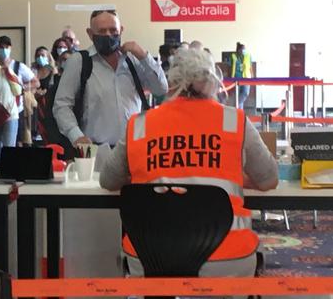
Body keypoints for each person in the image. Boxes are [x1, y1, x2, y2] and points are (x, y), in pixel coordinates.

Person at [100, 48, 278, 277]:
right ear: (213, 80)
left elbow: (108, 180)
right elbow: (269, 179)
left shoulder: (141, 124)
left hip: (149, 254)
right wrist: (229, 176)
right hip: (227, 255)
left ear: (171, 82)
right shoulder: (233, 120)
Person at [53, 10, 168, 148]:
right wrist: (76, 136)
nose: (108, 35)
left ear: (121, 30)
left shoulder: (133, 60)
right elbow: (62, 105)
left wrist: (143, 56)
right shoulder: (80, 62)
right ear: (90, 34)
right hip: (97, 149)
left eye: (113, 30)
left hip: (135, 147)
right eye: (102, 31)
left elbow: (161, 88)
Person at [0, 35, 39, 146]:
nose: (4, 50)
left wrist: (22, 88)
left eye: (6, 47)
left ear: (10, 48)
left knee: (15, 144)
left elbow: (35, 82)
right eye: (1, 47)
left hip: (16, 112)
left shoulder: (19, 66)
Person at [31, 46, 57, 146]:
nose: (40, 57)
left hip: (47, 106)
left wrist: (45, 93)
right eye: (38, 55)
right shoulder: (32, 70)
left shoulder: (52, 71)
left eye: (43, 55)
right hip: (34, 106)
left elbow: (54, 87)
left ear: (48, 57)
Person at [232, 42, 253, 109]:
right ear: (238, 50)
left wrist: (253, 76)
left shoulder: (248, 55)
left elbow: (250, 66)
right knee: (238, 95)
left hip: (246, 78)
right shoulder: (234, 56)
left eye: (245, 49)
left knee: (245, 93)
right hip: (237, 78)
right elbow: (232, 67)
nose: (244, 51)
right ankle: (239, 113)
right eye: (242, 49)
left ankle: (236, 106)